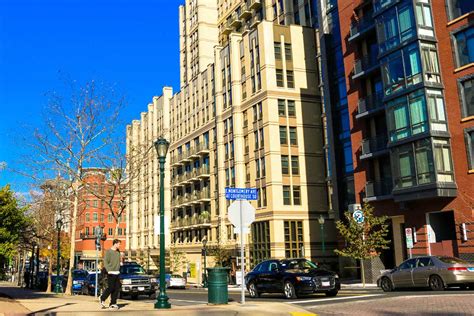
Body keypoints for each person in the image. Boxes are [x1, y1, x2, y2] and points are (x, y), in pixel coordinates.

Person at [99, 239, 121, 310]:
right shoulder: (108, 252)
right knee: (111, 288)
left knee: (117, 288)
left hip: (117, 272)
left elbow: (117, 261)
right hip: (111, 272)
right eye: (118, 244)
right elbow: (105, 261)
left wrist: (120, 265)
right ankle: (102, 298)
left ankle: (113, 303)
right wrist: (108, 270)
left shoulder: (118, 252)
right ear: (115, 244)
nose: (119, 245)